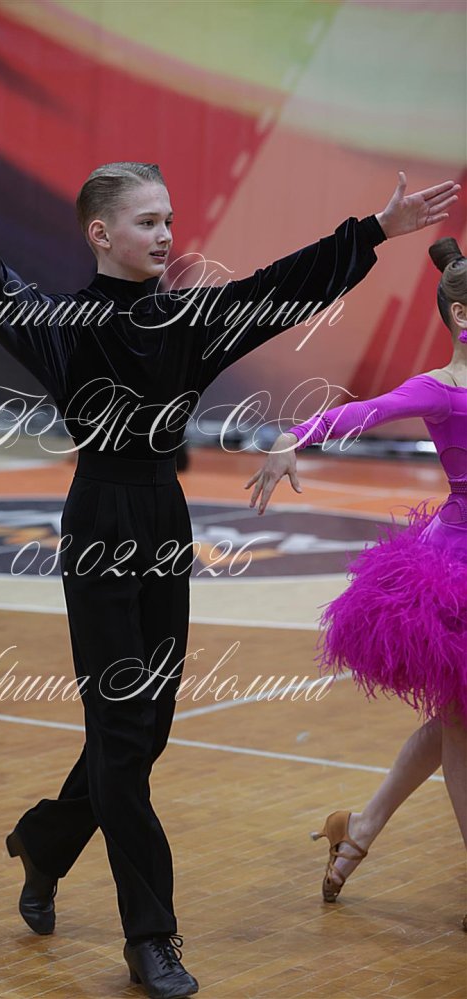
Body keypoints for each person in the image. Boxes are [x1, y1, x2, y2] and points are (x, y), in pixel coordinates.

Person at [0, 164, 458, 998]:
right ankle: (150, 937)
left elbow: (281, 288)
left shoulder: (189, 317)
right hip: (99, 522)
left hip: (164, 521)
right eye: (147, 221)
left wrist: (374, 230)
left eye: (169, 219)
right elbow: (13, 307)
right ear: (101, 234)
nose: (165, 234)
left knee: (143, 731)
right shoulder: (70, 325)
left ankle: (45, 840)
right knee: (122, 734)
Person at [246, 236, 466, 929]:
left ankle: (358, 828)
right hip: (457, 571)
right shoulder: (440, 389)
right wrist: (292, 437)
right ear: (461, 314)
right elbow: (360, 411)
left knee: (453, 719)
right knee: (460, 723)